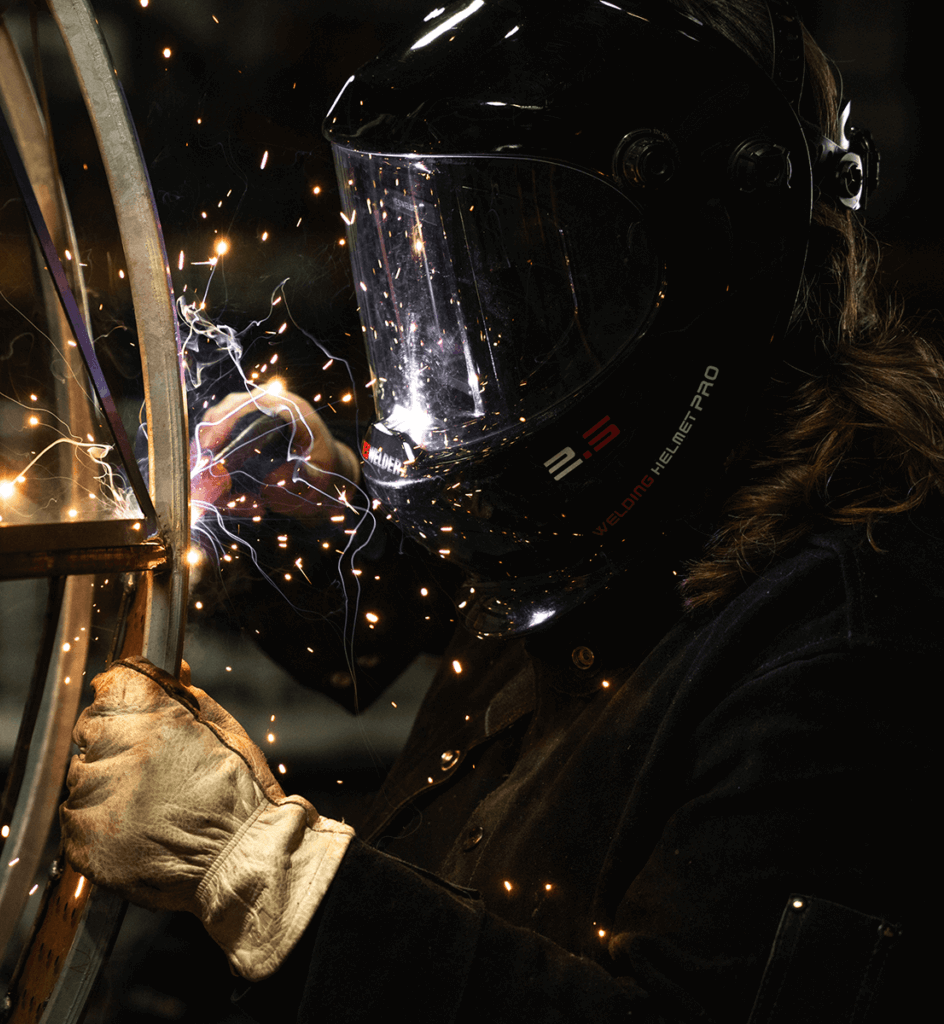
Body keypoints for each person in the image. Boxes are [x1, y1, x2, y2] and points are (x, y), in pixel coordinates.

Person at [62, 0, 937, 1019]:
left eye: (545, 273)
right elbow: (465, 598)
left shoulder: (849, 651)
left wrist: (268, 874)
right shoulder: (649, 506)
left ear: (707, 268)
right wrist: (323, 510)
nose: (494, 333)